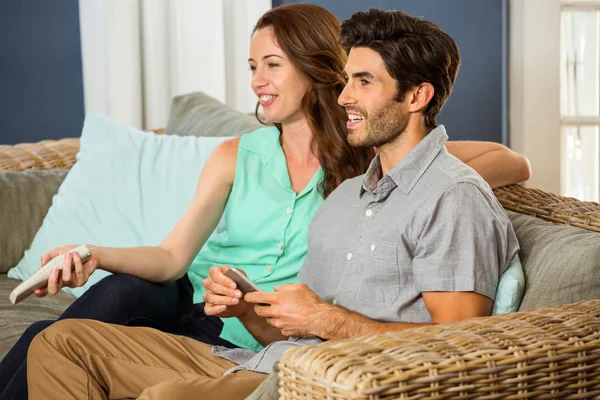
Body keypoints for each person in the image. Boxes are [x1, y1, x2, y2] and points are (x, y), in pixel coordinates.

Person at [26, 7, 522, 400]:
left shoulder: (449, 196)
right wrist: (248, 309)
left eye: (363, 82)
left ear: (416, 96)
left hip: (327, 382)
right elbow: (293, 329)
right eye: (347, 79)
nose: (344, 95)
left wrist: (323, 319)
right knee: (60, 343)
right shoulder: (349, 195)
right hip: (268, 358)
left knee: (167, 395)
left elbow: (459, 347)